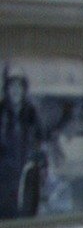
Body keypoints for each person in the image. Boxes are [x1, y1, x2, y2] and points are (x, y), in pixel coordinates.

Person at [0, 67, 45, 219]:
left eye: (19, 86)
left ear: (24, 89)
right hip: (4, 177)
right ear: (6, 89)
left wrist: (39, 163)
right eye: (12, 86)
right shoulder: (1, 112)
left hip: (27, 175)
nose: (15, 90)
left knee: (27, 214)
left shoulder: (31, 113)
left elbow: (40, 142)